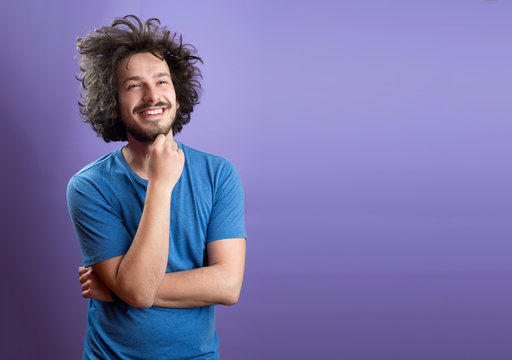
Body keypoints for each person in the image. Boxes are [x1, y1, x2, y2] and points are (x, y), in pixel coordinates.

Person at [66, 15, 247, 360]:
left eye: (162, 81)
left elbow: (227, 285)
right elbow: (137, 290)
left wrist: (120, 289)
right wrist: (161, 184)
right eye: (134, 85)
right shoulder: (88, 186)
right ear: (113, 103)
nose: (152, 96)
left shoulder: (219, 174)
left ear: (178, 96)